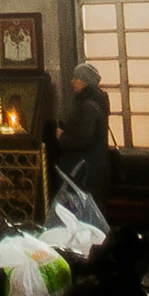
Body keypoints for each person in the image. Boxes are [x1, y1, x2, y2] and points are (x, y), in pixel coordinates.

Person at [60, 62, 114, 200]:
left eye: (75, 78)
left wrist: (62, 136)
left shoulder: (88, 107)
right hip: (94, 169)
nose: (72, 81)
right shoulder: (95, 102)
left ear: (84, 82)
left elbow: (84, 139)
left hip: (86, 171)